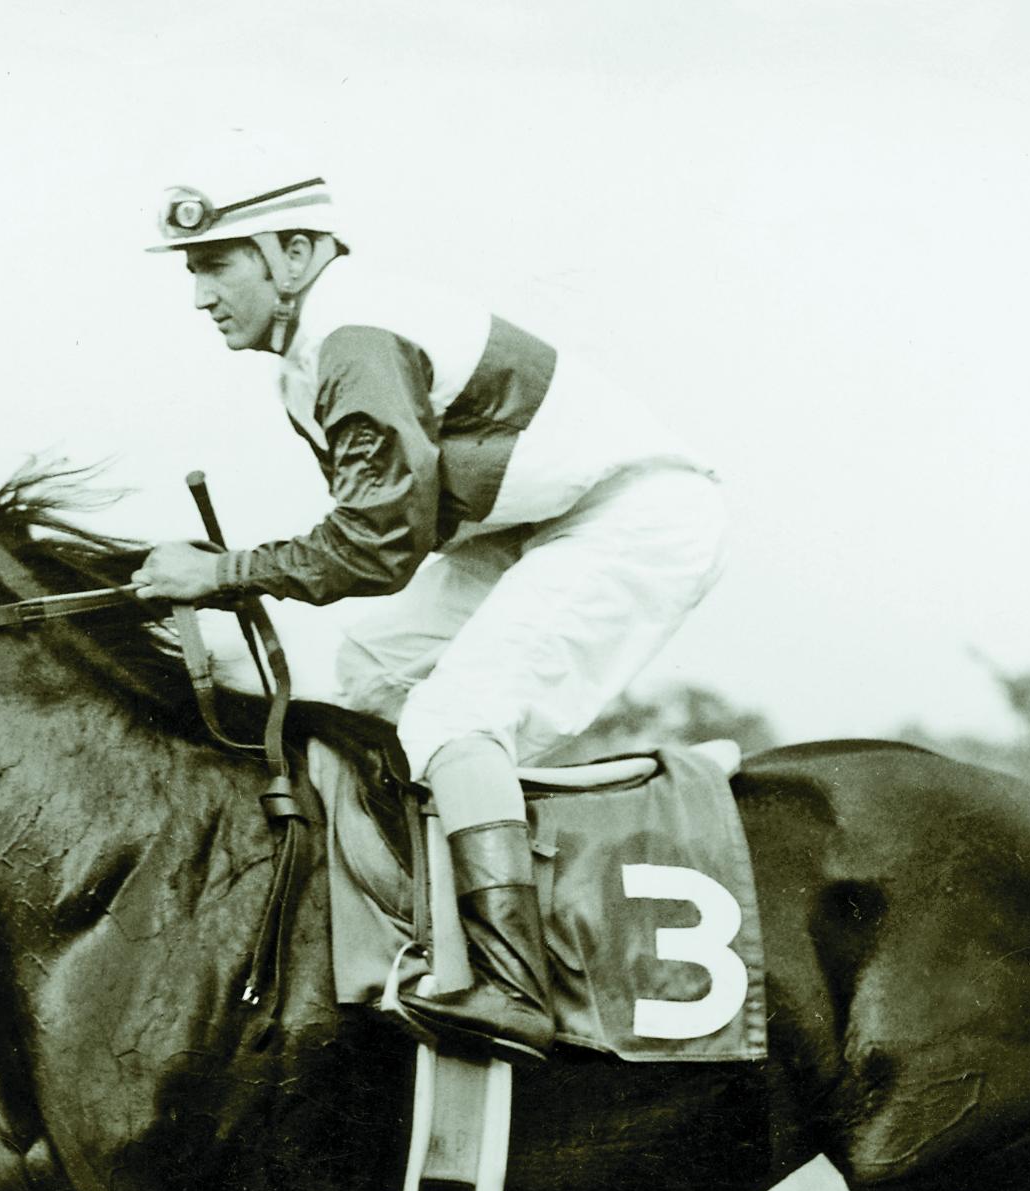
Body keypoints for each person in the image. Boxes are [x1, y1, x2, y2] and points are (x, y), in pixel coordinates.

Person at [131, 171, 726, 1063]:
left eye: (218, 263)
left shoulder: (352, 337)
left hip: (627, 516)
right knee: (369, 670)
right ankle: (410, 922)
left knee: (453, 715)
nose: (200, 294)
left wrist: (220, 574)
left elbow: (374, 547)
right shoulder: (318, 345)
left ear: (294, 255)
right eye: (191, 268)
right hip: (531, 526)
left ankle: (512, 980)